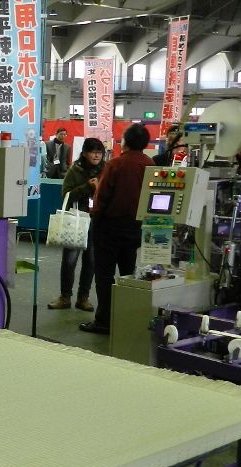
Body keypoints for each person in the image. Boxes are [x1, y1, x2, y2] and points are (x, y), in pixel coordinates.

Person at [79, 123, 153, 335]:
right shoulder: (149, 164)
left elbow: (102, 196)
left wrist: (95, 215)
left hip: (109, 227)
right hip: (135, 227)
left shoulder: (115, 164)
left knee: (105, 276)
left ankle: (104, 321)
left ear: (125, 142)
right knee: (128, 275)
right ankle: (127, 319)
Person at [47, 138, 106, 312]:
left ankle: (83, 298)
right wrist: (86, 187)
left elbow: (109, 193)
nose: (97, 155)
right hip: (76, 220)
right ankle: (65, 297)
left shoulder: (106, 170)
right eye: (93, 152)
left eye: (100, 152)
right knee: (69, 260)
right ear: (85, 153)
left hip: (96, 220)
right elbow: (66, 194)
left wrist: (98, 189)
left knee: (91, 261)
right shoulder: (75, 170)